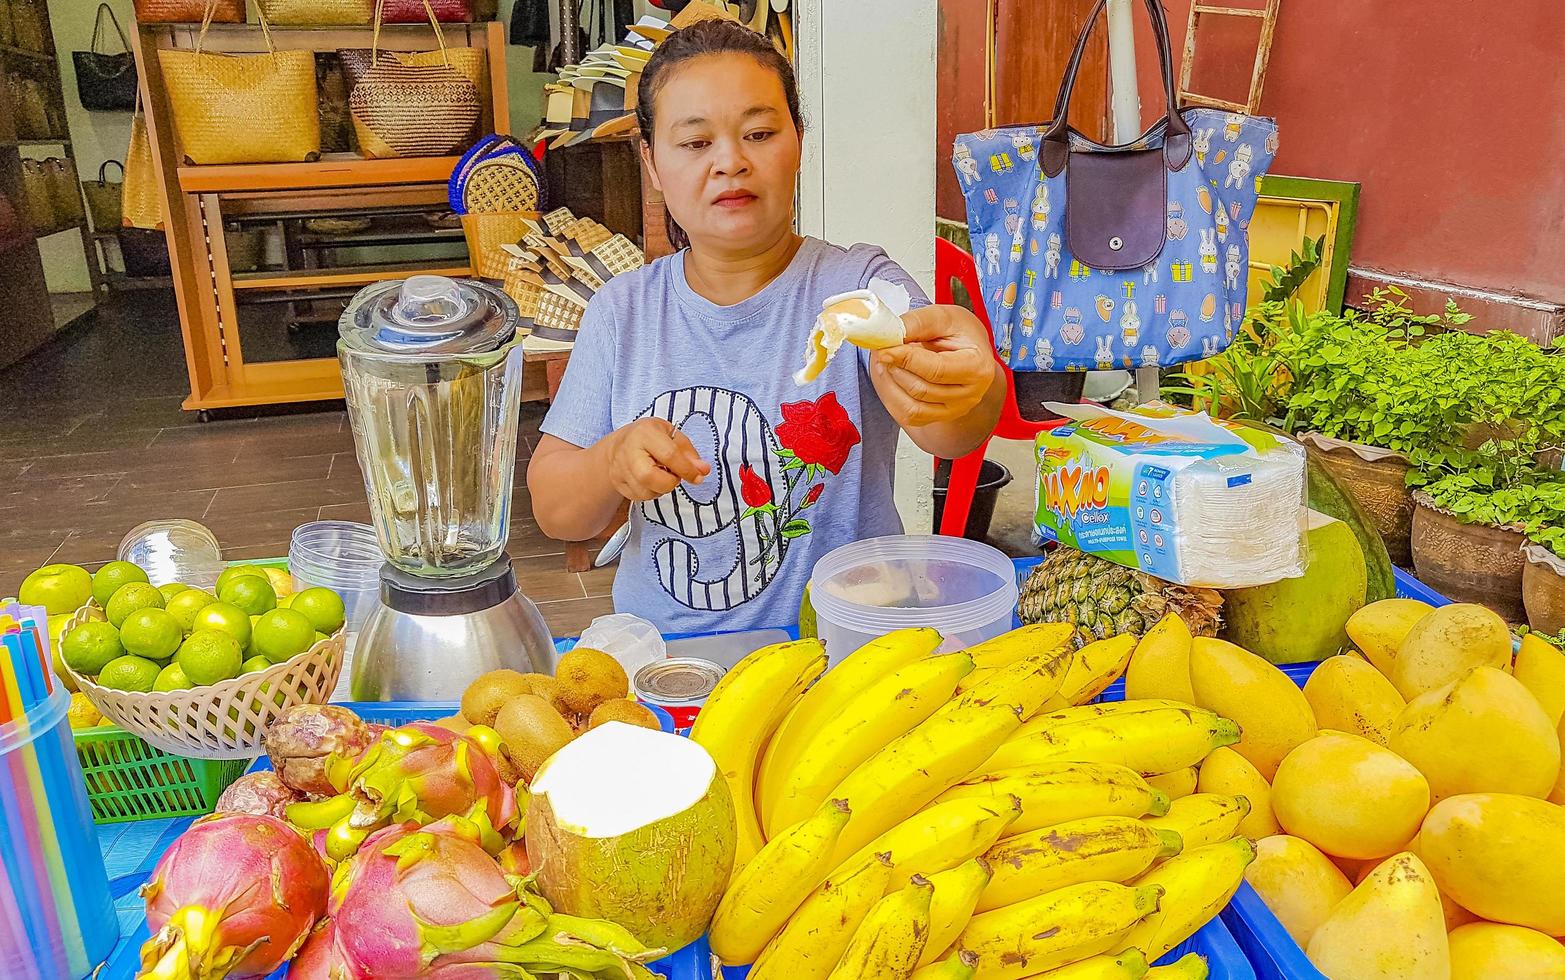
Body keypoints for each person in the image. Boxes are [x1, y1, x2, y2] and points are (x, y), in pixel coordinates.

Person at [528, 18, 1003, 634]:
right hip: (675, 667)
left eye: (758, 133)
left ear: (798, 141)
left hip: (850, 654)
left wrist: (969, 380)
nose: (730, 162)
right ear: (651, 161)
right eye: (695, 143)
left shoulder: (858, 288)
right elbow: (557, 511)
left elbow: (952, 429)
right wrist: (611, 462)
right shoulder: (624, 312)